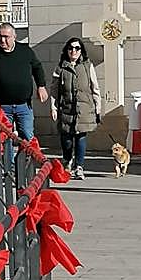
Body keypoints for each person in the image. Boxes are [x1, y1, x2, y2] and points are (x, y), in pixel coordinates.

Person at [0, 22, 47, 163]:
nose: (2, 40)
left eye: (6, 37)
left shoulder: (25, 51)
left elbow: (37, 68)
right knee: (4, 138)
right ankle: (9, 167)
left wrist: (41, 86)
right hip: (2, 106)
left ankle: (25, 165)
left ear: (14, 37)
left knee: (27, 136)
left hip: (23, 105)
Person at [50, 37, 101, 180]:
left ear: (81, 50)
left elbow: (95, 88)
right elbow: (54, 90)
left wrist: (98, 108)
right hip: (66, 108)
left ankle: (79, 166)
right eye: (71, 48)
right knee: (66, 139)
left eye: (77, 48)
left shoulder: (87, 66)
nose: (74, 51)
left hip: (84, 108)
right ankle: (67, 160)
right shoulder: (60, 67)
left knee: (80, 137)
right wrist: (53, 107)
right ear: (66, 50)